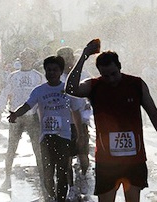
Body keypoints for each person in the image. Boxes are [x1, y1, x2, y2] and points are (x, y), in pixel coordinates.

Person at [65, 39, 157, 202]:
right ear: (99, 73)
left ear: (120, 67)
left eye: (113, 74)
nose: (110, 79)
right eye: (105, 75)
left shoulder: (136, 84)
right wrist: (84, 56)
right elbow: (71, 89)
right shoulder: (94, 86)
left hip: (134, 158)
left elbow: (154, 114)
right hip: (106, 160)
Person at [6, 55, 85, 202]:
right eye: (48, 70)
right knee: (48, 173)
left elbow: (76, 112)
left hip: (64, 137)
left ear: (61, 72)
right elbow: (28, 105)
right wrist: (16, 114)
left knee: (62, 171)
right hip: (46, 137)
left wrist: (80, 135)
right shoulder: (39, 91)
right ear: (45, 71)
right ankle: (51, 194)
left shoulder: (67, 90)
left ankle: (60, 199)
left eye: (55, 70)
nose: (51, 73)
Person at [0, 48, 47, 193]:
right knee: (11, 149)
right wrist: (0, 108)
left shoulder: (38, 77)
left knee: (38, 150)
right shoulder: (13, 76)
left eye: (28, 57)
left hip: (32, 117)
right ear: (20, 59)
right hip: (16, 116)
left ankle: (44, 180)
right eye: (23, 57)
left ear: (32, 59)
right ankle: (7, 179)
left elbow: (44, 95)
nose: (26, 60)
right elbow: (5, 92)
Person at [58, 46, 93, 199]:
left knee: (83, 154)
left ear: (73, 58)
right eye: (63, 58)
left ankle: (84, 176)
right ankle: (71, 187)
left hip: (81, 122)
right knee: (66, 159)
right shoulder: (56, 77)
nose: (66, 61)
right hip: (63, 124)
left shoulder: (83, 75)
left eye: (68, 57)